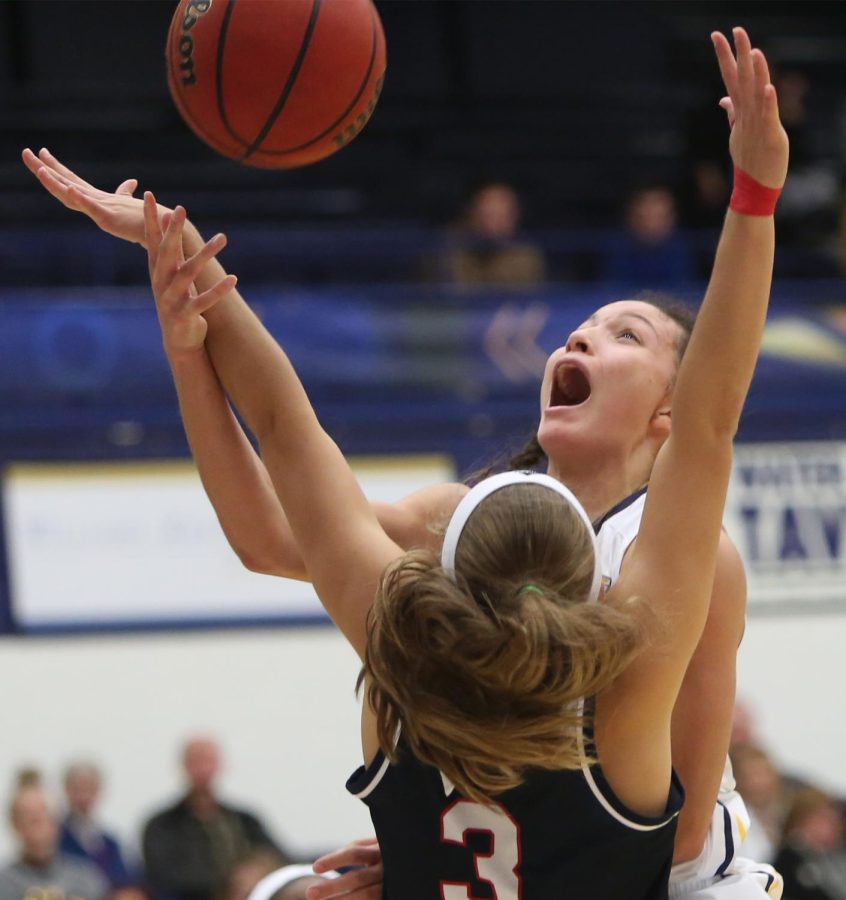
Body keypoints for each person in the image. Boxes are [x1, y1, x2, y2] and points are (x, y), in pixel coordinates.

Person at [21, 26, 786, 898]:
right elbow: (270, 536)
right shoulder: (478, 524)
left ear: (665, 410)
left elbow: (683, 844)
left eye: (626, 333)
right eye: (585, 325)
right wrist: (755, 192)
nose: (580, 334)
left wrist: (442, 850)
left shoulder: (671, 557)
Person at [141, 736, 286, 900]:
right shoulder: (162, 825)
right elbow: (163, 877)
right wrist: (233, 881)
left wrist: (257, 870)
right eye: (196, 761)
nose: (203, 769)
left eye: (208, 761)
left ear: (220, 765)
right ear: (184, 766)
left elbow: (279, 857)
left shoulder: (244, 820)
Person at [0, 776, 108, 900]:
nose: (42, 831)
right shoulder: (5, 883)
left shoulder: (86, 878)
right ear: (15, 826)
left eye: (49, 819)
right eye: (33, 821)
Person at [59, 761, 133, 888]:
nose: (84, 796)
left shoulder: (111, 843)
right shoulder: (56, 839)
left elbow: (124, 880)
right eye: (78, 789)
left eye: (89, 789)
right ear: (67, 791)